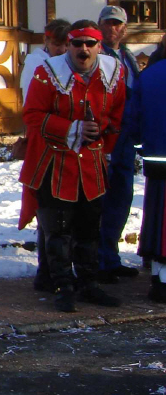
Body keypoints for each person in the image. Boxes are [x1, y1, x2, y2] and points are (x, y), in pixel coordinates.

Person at [19, 20, 126, 312]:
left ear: (99, 46)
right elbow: (32, 114)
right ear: (68, 45)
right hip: (55, 163)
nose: (84, 49)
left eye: (90, 44)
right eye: (77, 43)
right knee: (58, 231)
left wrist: (103, 136)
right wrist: (71, 128)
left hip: (91, 164)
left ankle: (89, 284)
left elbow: (117, 114)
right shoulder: (47, 73)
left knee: (90, 229)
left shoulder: (113, 73)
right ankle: (63, 286)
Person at [20, 18, 71, 295]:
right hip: (44, 145)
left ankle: (55, 269)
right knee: (47, 211)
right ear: (47, 42)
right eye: (57, 44)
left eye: (65, 44)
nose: (62, 49)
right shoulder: (38, 67)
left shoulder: (64, 65)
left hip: (64, 145)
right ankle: (47, 271)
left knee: (62, 213)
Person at [96, 5, 141, 282]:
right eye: (108, 23)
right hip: (105, 135)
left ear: (124, 28)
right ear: (100, 25)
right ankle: (99, 260)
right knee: (102, 199)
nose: (112, 28)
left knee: (122, 198)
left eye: (117, 24)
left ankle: (111, 257)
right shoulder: (96, 55)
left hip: (126, 137)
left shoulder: (128, 57)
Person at [123, 55, 166, 303]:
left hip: (156, 158)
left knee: (158, 221)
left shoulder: (149, 75)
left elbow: (134, 118)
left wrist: (143, 147)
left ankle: (159, 278)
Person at [20, 19, 71, 98]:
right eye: (57, 44)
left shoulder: (73, 62)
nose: (62, 49)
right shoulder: (36, 63)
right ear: (46, 40)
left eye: (67, 45)